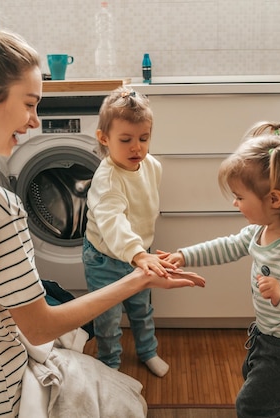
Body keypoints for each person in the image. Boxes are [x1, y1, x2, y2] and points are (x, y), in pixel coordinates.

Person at [0, 3, 205, 417]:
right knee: (130, 401)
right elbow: (38, 326)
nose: (35, 121)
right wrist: (137, 280)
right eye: (30, 104)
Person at [160, 121, 280, 418]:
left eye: (240, 197)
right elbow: (227, 246)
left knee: (252, 406)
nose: (235, 202)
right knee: (269, 404)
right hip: (269, 338)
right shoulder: (261, 230)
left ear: (274, 199)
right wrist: (183, 256)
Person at [83, 86, 174, 377]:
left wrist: (140, 253)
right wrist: (137, 253)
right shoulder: (107, 180)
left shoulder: (151, 166)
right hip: (105, 259)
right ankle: (110, 365)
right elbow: (113, 222)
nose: (137, 147)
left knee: (142, 309)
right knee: (107, 318)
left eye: (143, 138)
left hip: (140, 254)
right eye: (126, 140)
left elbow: (142, 206)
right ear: (104, 139)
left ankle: (147, 351)